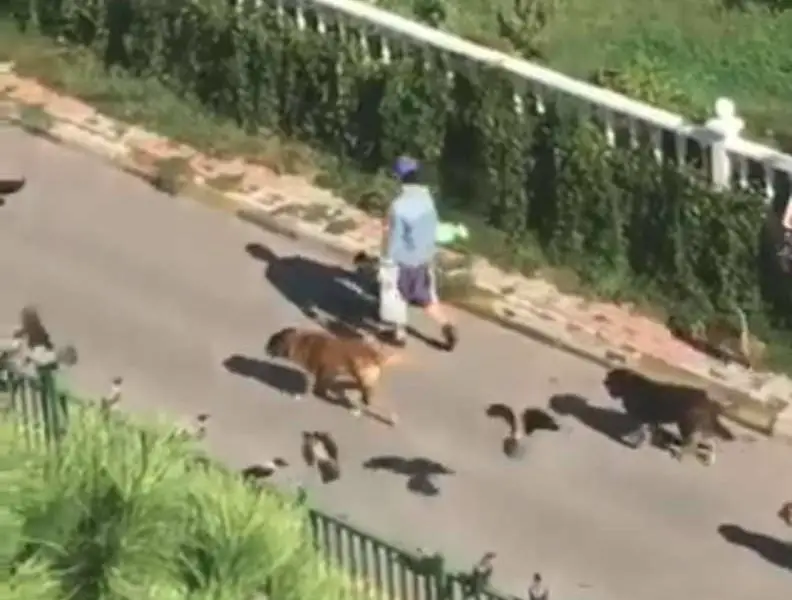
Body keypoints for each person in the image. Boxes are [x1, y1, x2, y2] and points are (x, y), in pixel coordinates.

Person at [382, 156, 458, 350]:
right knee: (426, 297)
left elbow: (394, 237)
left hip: (404, 260)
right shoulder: (427, 199)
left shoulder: (398, 205)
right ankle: (446, 325)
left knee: (397, 295)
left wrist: (387, 260)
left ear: (399, 178)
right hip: (424, 257)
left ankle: (399, 335)